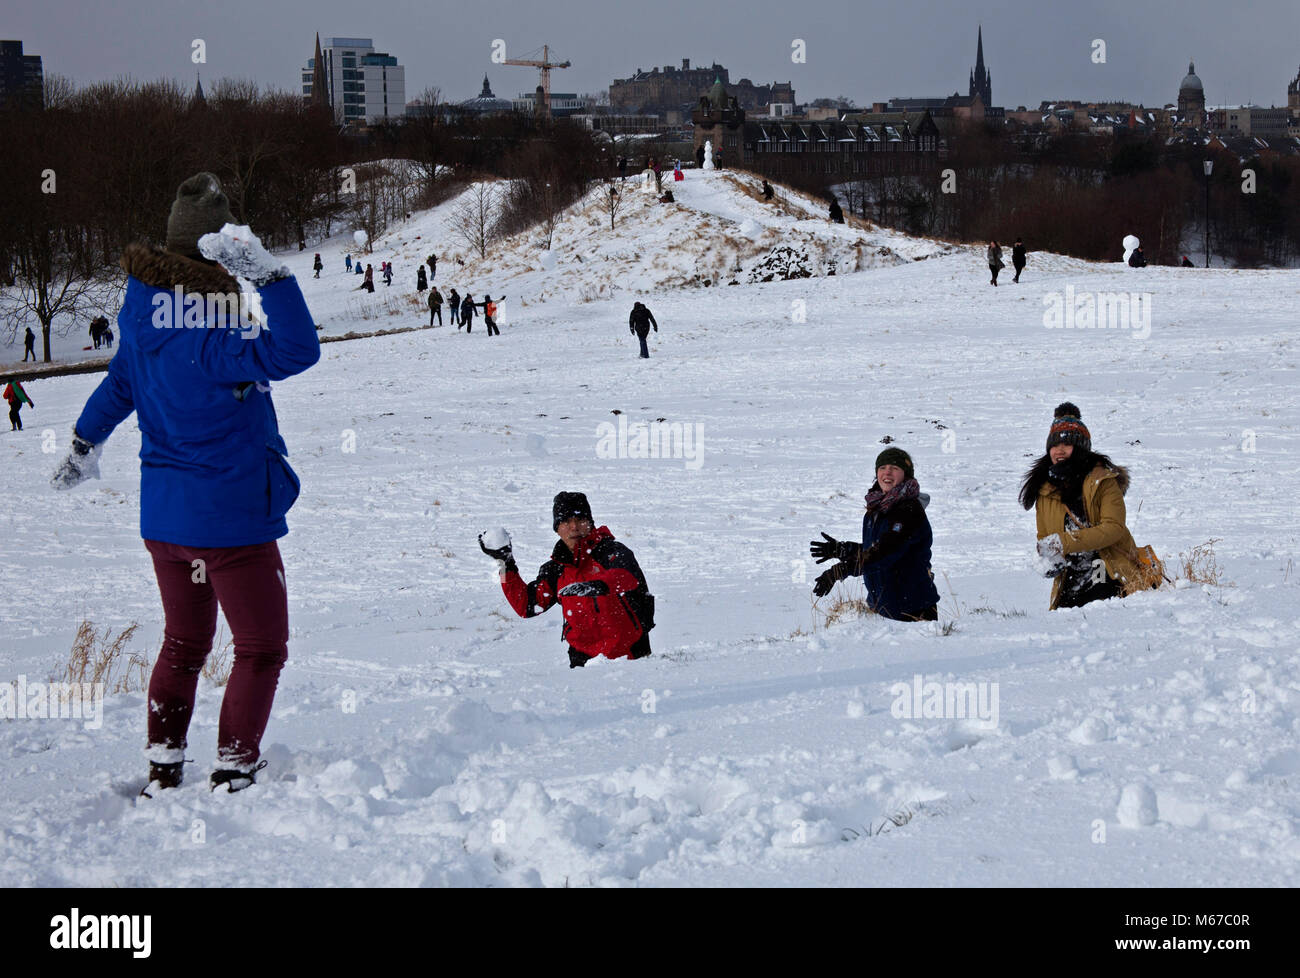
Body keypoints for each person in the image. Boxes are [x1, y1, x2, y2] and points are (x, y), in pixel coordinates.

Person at [49, 171, 320, 795]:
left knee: (184, 644)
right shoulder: (221, 332)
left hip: (166, 525)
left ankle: (164, 767)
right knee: (260, 647)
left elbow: (120, 385)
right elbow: (298, 350)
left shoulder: (143, 318)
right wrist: (272, 277)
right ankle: (232, 768)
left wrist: (84, 442)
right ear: (222, 252)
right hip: (230, 524)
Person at [479, 492, 654, 668]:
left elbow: (626, 577)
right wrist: (505, 563)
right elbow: (526, 605)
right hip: (582, 663)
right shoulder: (556, 569)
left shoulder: (613, 552)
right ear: (557, 528)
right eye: (565, 521)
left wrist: (599, 585)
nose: (574, 527)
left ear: (590, 523)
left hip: (632, 658)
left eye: (580, 520)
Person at [1019, 403, 1157, 610]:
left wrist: (1064, 542)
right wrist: (1049, 560)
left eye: (1067, 445)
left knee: (1098, 610)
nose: (1059, 451)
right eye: (1054, 446)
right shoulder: (1044, 489)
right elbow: (1045, 536)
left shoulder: (1103, 480)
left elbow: (1113, 529)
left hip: (1106, 569)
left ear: (1081, 447)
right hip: (1070, 579)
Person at [808, 447, 941, 622]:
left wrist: (841, 570)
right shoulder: (875, 509)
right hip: (882, 607)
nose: (887, 472)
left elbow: (884, 553)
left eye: (895, 468)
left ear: (906, 474)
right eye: (882, 467)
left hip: (912, 610)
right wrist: (842, 549)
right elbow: (874, 549)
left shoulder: (908, 510)